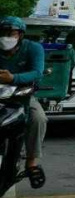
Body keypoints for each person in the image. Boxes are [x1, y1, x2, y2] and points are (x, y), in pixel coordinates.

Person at [0, 17, 46, 188]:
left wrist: (13, 78)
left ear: (20, 34)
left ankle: (31, 162)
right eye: (3, 32)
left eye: (10, 33)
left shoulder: (33, 48)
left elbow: (37, 72)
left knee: (38, 118)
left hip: (22, 96)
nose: (6, 36)